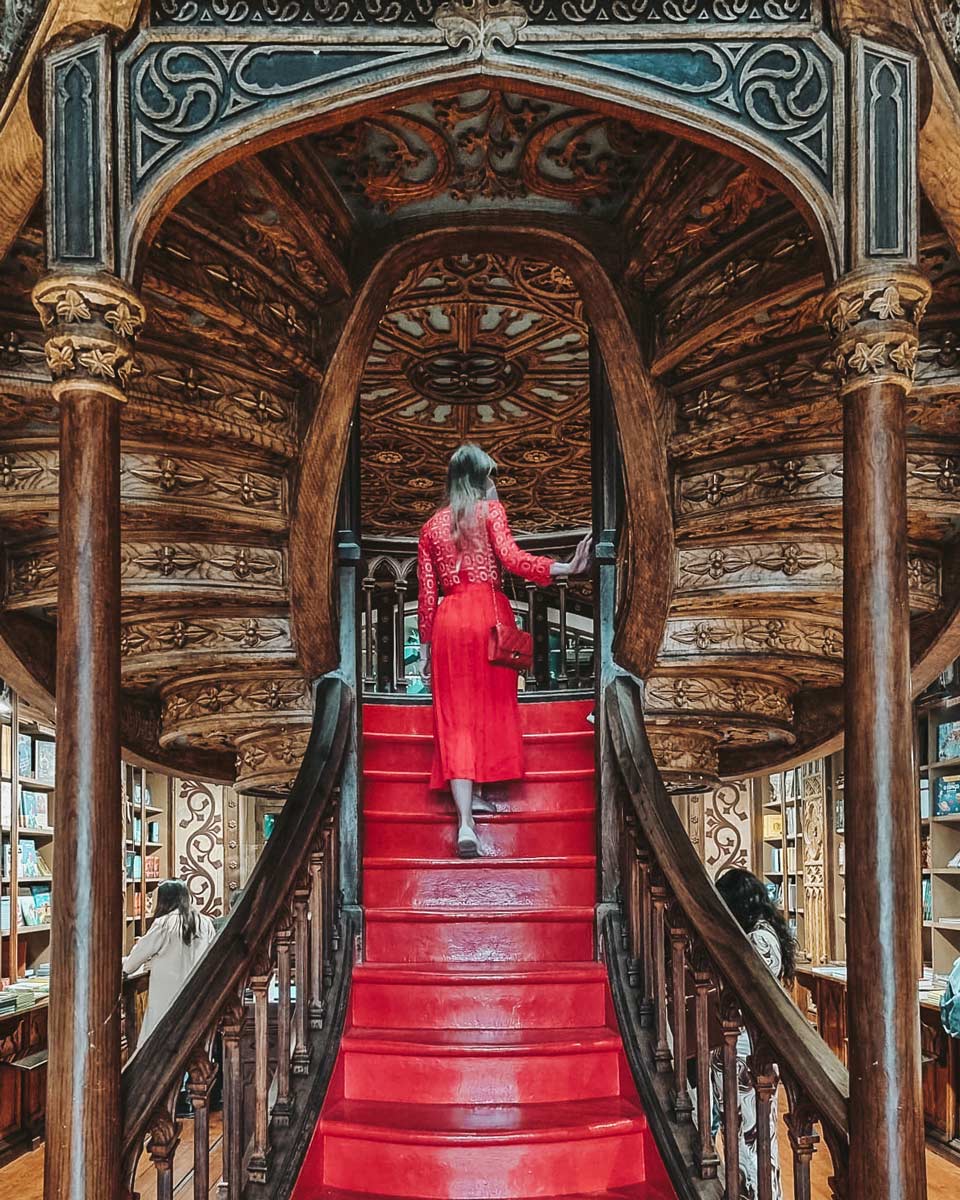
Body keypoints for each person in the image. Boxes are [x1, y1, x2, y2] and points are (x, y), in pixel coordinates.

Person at [417, 443, 592, 857]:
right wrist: (560, 567)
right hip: (489, 617)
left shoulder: (430, 528)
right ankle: (468, 813)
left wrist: (425, 649)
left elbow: (427, 595)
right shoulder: (490, 512)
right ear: (481, 479)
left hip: (449, 621)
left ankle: (467, 811)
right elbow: (512, 559)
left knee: (456, 718)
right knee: (487, 709)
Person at [710, 867, 797, 1200]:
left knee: (752, 1139)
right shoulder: (762, 932)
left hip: (747, 1053)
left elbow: (746, 990)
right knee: (748, 1137)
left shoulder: (759, 938)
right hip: (742, 1050)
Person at [123, 878, 217, 1048]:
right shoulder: (205, 922)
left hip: (166, 1003)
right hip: (197, 998)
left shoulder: (164, 924)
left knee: (158, 1050)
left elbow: (131, 964)